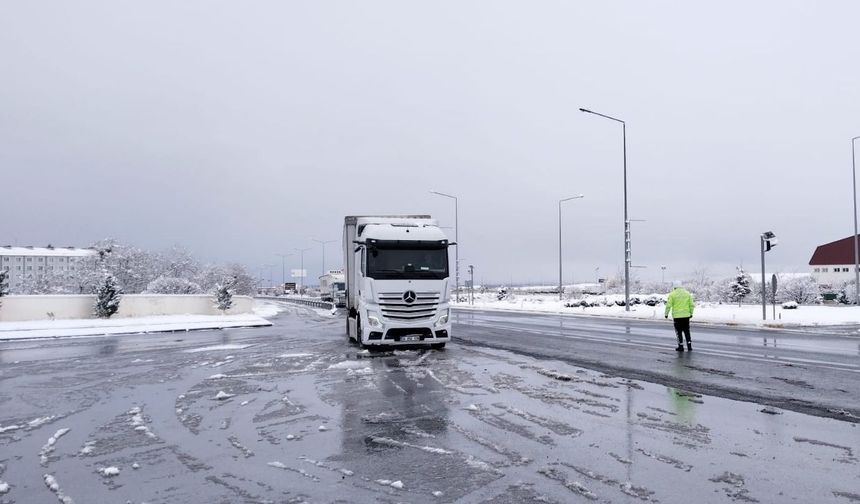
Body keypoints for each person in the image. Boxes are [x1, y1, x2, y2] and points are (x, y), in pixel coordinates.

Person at [665, 281, 694, 352]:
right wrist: (691, 313)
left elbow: (668, 305)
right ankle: (689, 346)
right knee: (687, 331)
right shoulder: (687, 293)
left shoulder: (672, 294)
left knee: (679, 332)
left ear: (674, 287)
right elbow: (691, 305)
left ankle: (681, 346)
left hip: (677, 317)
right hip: (686, 316)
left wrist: (666, 314)